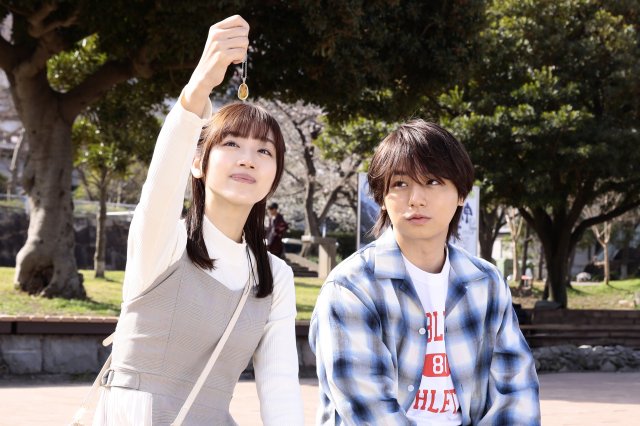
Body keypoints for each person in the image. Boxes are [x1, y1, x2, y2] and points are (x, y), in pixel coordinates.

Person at [92, 15, 303, 425]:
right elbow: (160, 185)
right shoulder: (164, 243)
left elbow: (280, 389)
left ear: (274, 176)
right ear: (198, 163)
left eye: (264, 151)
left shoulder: (275, 276)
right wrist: (199, 86)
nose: (248, 158)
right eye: (231, 143)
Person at [309, 120, 540, 425]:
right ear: (381, 198)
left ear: (461, 194)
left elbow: (517, 394)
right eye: (400, 184)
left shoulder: (487, 283)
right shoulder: (352, 286)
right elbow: (368, 410)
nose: (416, 199)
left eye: (432, 181)